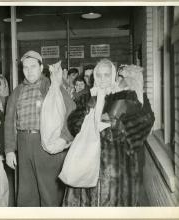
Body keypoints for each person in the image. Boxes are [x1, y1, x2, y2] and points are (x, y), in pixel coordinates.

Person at [62, 59, 155, 206]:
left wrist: (119, 127)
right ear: (94, 77)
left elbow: (145, 120)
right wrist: (88, 117)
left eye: (106, 75)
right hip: (87, 162)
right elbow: (73, 121)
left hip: (117, 165)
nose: (102, 79)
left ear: (113, 76)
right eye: (99, 75)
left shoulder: (127, 96)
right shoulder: (86, 98)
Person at [4, 50, 73, 207]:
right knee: (26, 195)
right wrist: (9, 150)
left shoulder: (51, 86)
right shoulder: (17, 92)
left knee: (49, 195)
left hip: (46, 144)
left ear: (42, 68)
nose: (29, 71)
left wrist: (64, 138)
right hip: (23, 143)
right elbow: (9, 121)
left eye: (33, 66)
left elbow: (72, 111)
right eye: (25, 67)